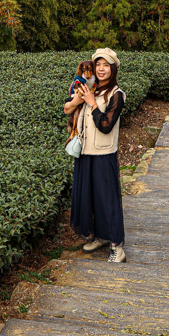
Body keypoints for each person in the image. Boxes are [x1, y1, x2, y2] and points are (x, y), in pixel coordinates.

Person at [63, 48, 126, 262]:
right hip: (85, 152)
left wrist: (91, 103)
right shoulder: (90, 89)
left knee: (107, 200)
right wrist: (80, 101)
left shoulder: (116, 94)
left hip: (103, 154)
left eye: (105, 65)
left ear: (113, 69)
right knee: (90, 198)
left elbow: (106, 125)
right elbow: (67, 108)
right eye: (97, 64)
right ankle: (100, 236)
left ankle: (117, 247)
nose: (100, 69)